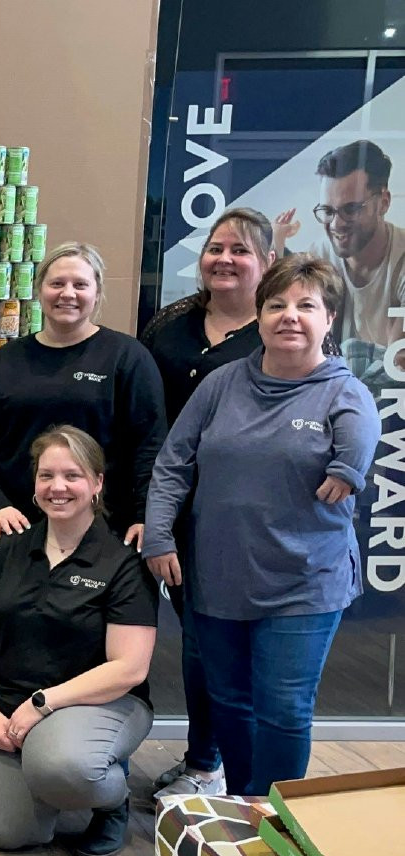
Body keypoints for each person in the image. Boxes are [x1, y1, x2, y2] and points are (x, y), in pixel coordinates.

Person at [143, 255, 381, 798]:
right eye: (276, 304)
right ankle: (242, 803)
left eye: (306, 306)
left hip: (305, 580)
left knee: (284, 707)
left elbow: (361, 431)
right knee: (228, 698)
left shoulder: (342, 391)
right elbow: (173, 462)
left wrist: (348, 467)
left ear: (330, 319)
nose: (289, 316)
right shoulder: (223, 383)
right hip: (219, 575)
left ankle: (276, 819)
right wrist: (158, 534)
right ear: (259, 314)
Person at [0, 242, 166, 792]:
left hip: (99, 530)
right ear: (40, 290)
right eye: (57, 283)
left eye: (80, 284)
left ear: (98, 292)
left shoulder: (124, 358)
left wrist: (143, 513)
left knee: (90, 644)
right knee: (10, 635)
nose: (68, 294)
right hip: (11, 528)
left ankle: (97, 760)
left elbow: (150, 443)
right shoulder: (7, 360)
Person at [0, 425, 159, 856]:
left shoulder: (122, 561)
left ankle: (112, 800)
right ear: (34, 484)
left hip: (98, 705)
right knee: (7, 834)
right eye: (46, 475)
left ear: (96, 484)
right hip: (12, 709)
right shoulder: (9, 549)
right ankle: (49, 785)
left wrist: (41, 704)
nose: (58, 487)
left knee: (62, 767)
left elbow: (129, 668)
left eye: (72, 476)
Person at [138, 207, 276, 801]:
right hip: (163, 507)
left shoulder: (275, 331)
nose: (224, 259)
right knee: (189, 641)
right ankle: (203, 759)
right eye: (216, 248)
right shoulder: (170, 322)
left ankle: (213, 765)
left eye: (240, 250)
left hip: (232, 515)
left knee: (215, 644)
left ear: (266, 263)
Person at [275, 140, 405, 384]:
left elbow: (397, 366)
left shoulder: (402, 259)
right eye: (328, 211)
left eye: (351, 209)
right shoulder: (318, 256)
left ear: (384, 202)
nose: (336, 224)